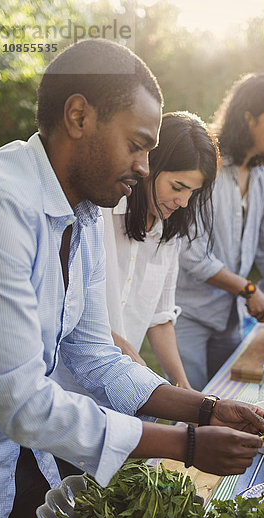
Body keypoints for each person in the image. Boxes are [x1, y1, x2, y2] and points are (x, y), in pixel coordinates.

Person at [0, 40, 264, 518]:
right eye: (138, 146)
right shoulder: (0, 204)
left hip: (26, 462)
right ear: (79, 116)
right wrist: (186, 444)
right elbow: (21, 401)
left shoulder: (85, 212)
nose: (144, 167)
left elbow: (94, 355)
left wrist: (208, 407)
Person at [175, 73, 264, 391]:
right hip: (188, 315)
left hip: (230, 316)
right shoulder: (205, 166)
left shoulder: (263, 180)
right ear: (248, 118)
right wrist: (250, 291)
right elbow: (191, 253)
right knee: (192, 406)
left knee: (229, 400)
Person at [103, 111, 217, 389]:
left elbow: (160, 318)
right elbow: (74, 308)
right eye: (178, 187)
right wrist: (133, 362)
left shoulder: (168, 234)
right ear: (148, 166)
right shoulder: (101, 214)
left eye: (193, 192)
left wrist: (184, 388)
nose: (184, 202)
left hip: (116, 385)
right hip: (64, 382)